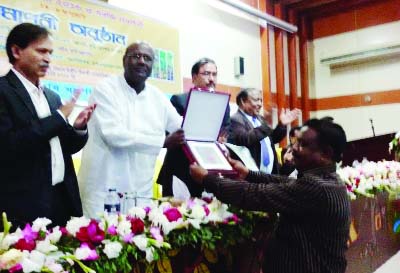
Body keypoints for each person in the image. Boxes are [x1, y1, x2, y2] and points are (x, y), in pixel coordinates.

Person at [190, 118, 350, 273]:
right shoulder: (328, 181)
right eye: (295, 141)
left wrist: (207, 179)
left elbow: (255, 194)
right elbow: (286, 182)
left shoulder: (317, 188)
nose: (293, 148)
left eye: (303, 144)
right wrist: (248, 174)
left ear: (326, 153)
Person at [0, 23, 96, 228]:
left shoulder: (52, 96)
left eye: (50, 53)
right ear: (16, 51)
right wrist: (59, 117)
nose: (47, 59)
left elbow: (64, 147)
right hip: (22, 207)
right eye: (41, 51)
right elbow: (9, 145)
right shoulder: (2, 91)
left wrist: (78, 128)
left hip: (60, 200)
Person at [78, 41, 183, 218]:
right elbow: (113, 135)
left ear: (152, 66)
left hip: (140, 190)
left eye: (147, 58)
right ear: (124, 61)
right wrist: (162, 142)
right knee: (102, 241)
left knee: (139, 240)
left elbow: (180, 126)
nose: (142, 61)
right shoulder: (105, 89)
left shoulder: (157, 97)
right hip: (105, 188)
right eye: (136, 56)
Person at [157, 58, 230, 197]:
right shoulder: (179, 100)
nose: (211, 79)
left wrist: (223, 139)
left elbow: (228, 131)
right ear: (194, 77)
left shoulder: (222, 103)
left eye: (214, 74)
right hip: (181, 168)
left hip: (210, 169)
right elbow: (169, 134)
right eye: (206, 74)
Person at [228, 88, 300, 174]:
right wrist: (267, 125)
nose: (260, 104)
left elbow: (273, 139)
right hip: (250, 176)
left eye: (261, 100)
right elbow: (246, 139)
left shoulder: (260, 119)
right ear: (243, 101)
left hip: (270, 175)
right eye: (256, 100)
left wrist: (282, 125)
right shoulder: (235, 120)